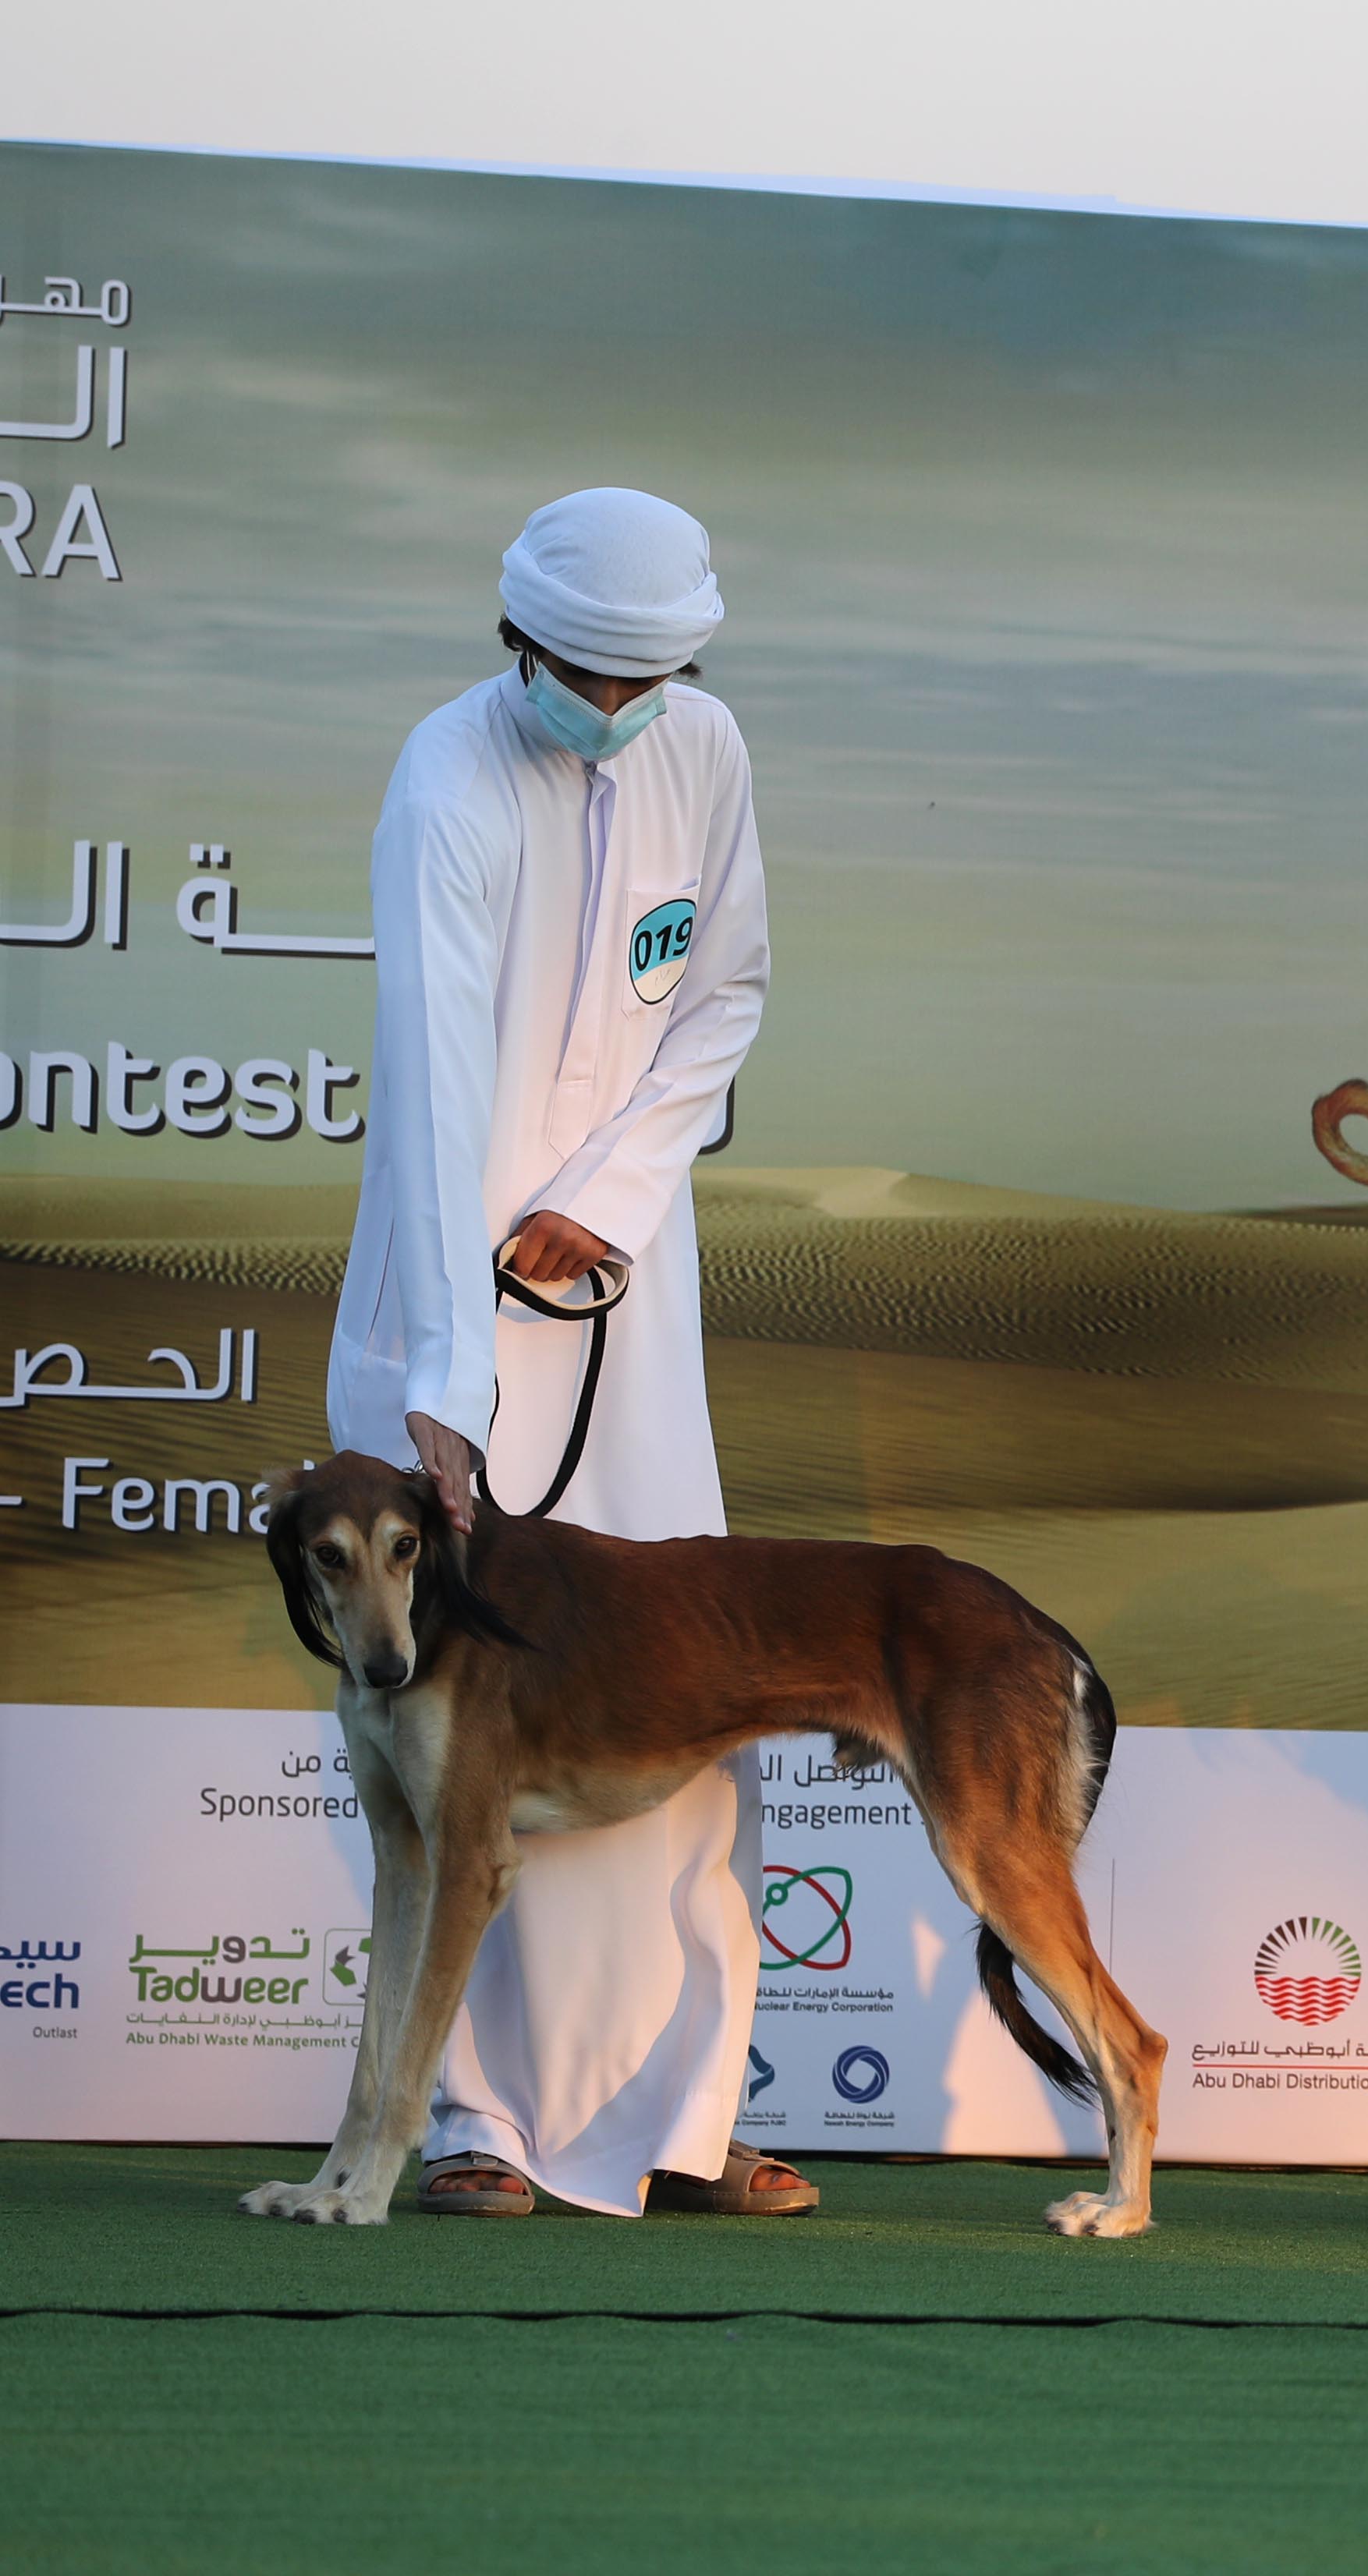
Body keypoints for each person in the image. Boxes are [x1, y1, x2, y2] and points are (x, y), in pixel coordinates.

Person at [327, 487, 792, 2219]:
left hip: (626, 1284)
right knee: (455, 1718)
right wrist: (454, 1369)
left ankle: (683, 2115)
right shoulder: (448, 780)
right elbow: (443, 1082)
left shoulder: (709, 744)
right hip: (448, 1300)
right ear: (516, 642)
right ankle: (477, 2122)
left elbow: (724, 993)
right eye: (585, 676)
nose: (614, 709)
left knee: (687, 1672)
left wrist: (607, 1196)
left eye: (646, 677)